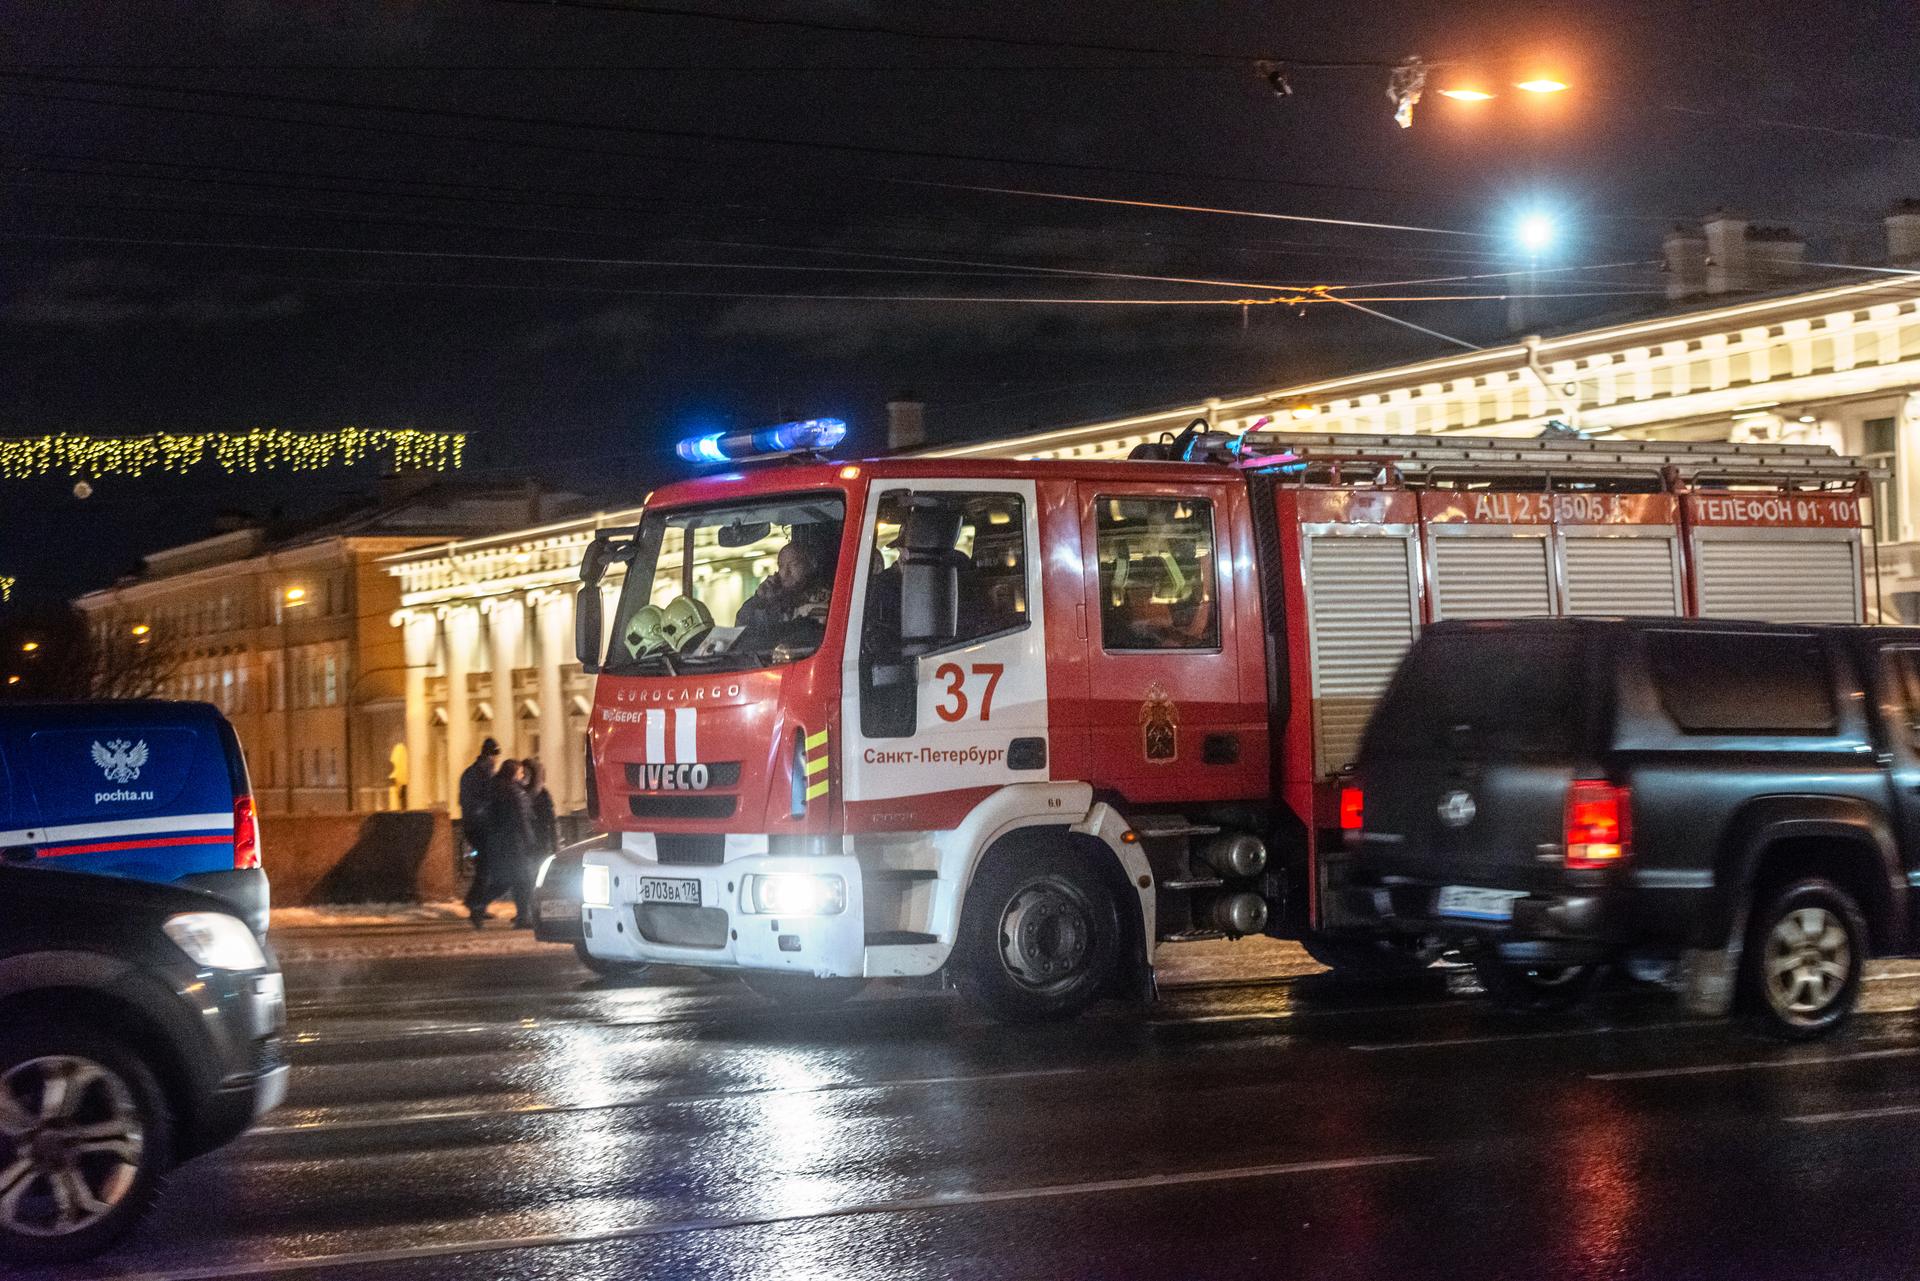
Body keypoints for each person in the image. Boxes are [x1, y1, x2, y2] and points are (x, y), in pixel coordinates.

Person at [736, 539, 831, 633]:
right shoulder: (780, 598)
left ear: (811, 565)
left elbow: (795, 631)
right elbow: (740, 629)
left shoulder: (824, 599)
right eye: (781, 566)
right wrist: (759, 600)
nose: (785, 573)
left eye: (793, 565)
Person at [487, 759, 538, 929]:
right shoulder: (513, 791)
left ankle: (479, 903)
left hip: (502, 842)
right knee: (524, 880)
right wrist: (529, 841)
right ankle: (524, 916)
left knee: (512, 879)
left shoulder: (496, 788)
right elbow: (521, 818)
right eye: (520, 772)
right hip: (516, 843)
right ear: (513, 773)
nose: (522, 775)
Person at [459, 737, 502, 927]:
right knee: (486, 868)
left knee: (486, 868)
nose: (495, 760)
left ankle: (476, 903)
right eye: (494, 755)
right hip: (479, 828)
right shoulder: (478, 774)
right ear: (488, 755)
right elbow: (473, 802)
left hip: (477, 826)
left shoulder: (475, 773)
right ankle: (475, 903)